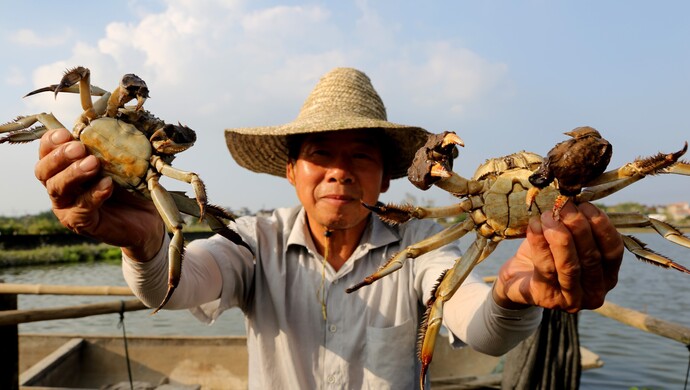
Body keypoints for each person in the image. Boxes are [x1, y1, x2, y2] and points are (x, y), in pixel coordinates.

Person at [34, 67, 623, 389]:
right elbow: (179, 284)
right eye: (320, 154)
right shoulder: (253, 240)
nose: (339, 172)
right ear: (291, 171)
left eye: (360, 156)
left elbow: (475, 319)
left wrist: (516, 293)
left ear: (387, 179)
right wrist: (143, 239)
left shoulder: (419, 246)